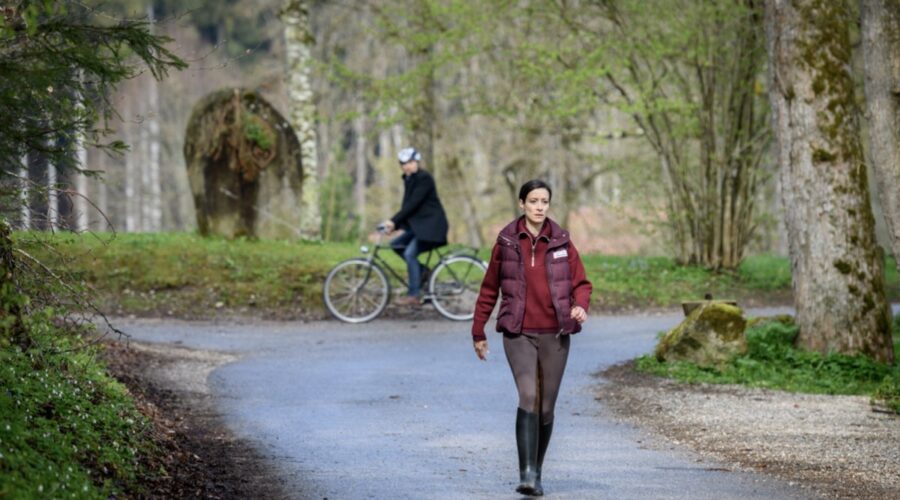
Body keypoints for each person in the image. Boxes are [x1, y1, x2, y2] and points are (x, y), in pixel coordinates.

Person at [471, 179, 592, 497]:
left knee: (547, 406)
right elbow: (489, 289)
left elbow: (582, 283)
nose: (540, 206)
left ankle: (536, 472)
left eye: (545, 201)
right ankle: (526, 474)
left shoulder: (562, 242)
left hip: (556, 333)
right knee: (529, 396)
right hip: (518, 332)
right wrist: (478, 330)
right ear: (522, 204)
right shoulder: (507, 242)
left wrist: (580, 306)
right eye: (534, 201)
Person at [381, 147, 449, 306]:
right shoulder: (409, 179)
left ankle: (414, 295)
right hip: (420, 228)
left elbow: (413, 205)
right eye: (403, 163)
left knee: (410, 253)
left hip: (432, 228)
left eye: (410, 162)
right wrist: (396, 226)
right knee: (396, 245)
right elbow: (409, 208)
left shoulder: (424, 178)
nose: (407, 166)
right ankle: (423, 272)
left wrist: (393, 221)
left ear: (416, 162)